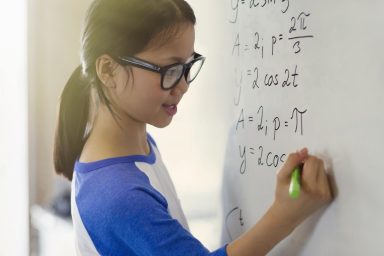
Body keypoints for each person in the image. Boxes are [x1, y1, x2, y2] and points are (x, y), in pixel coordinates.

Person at [53, 0, 333, 255]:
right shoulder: (118, 195)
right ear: (108, 71)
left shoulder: (138, 143)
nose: (183, 86)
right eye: (169, 70)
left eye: (187, 67)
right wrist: (285, 215)